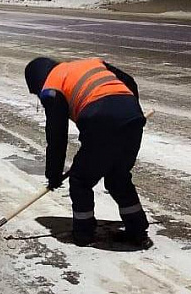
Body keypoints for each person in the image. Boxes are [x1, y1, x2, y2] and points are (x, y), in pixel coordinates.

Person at [25, 57, 151, 248]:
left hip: (100, 120)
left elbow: (57, 135)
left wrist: (54, 174)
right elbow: (130, 81)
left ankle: (83, 234)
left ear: (37, 80)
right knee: (118, 178)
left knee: (80, 181)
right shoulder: (89, 64)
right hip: (132, 118)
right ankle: (137, 230)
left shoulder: (51, 88)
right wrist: (131, 112)